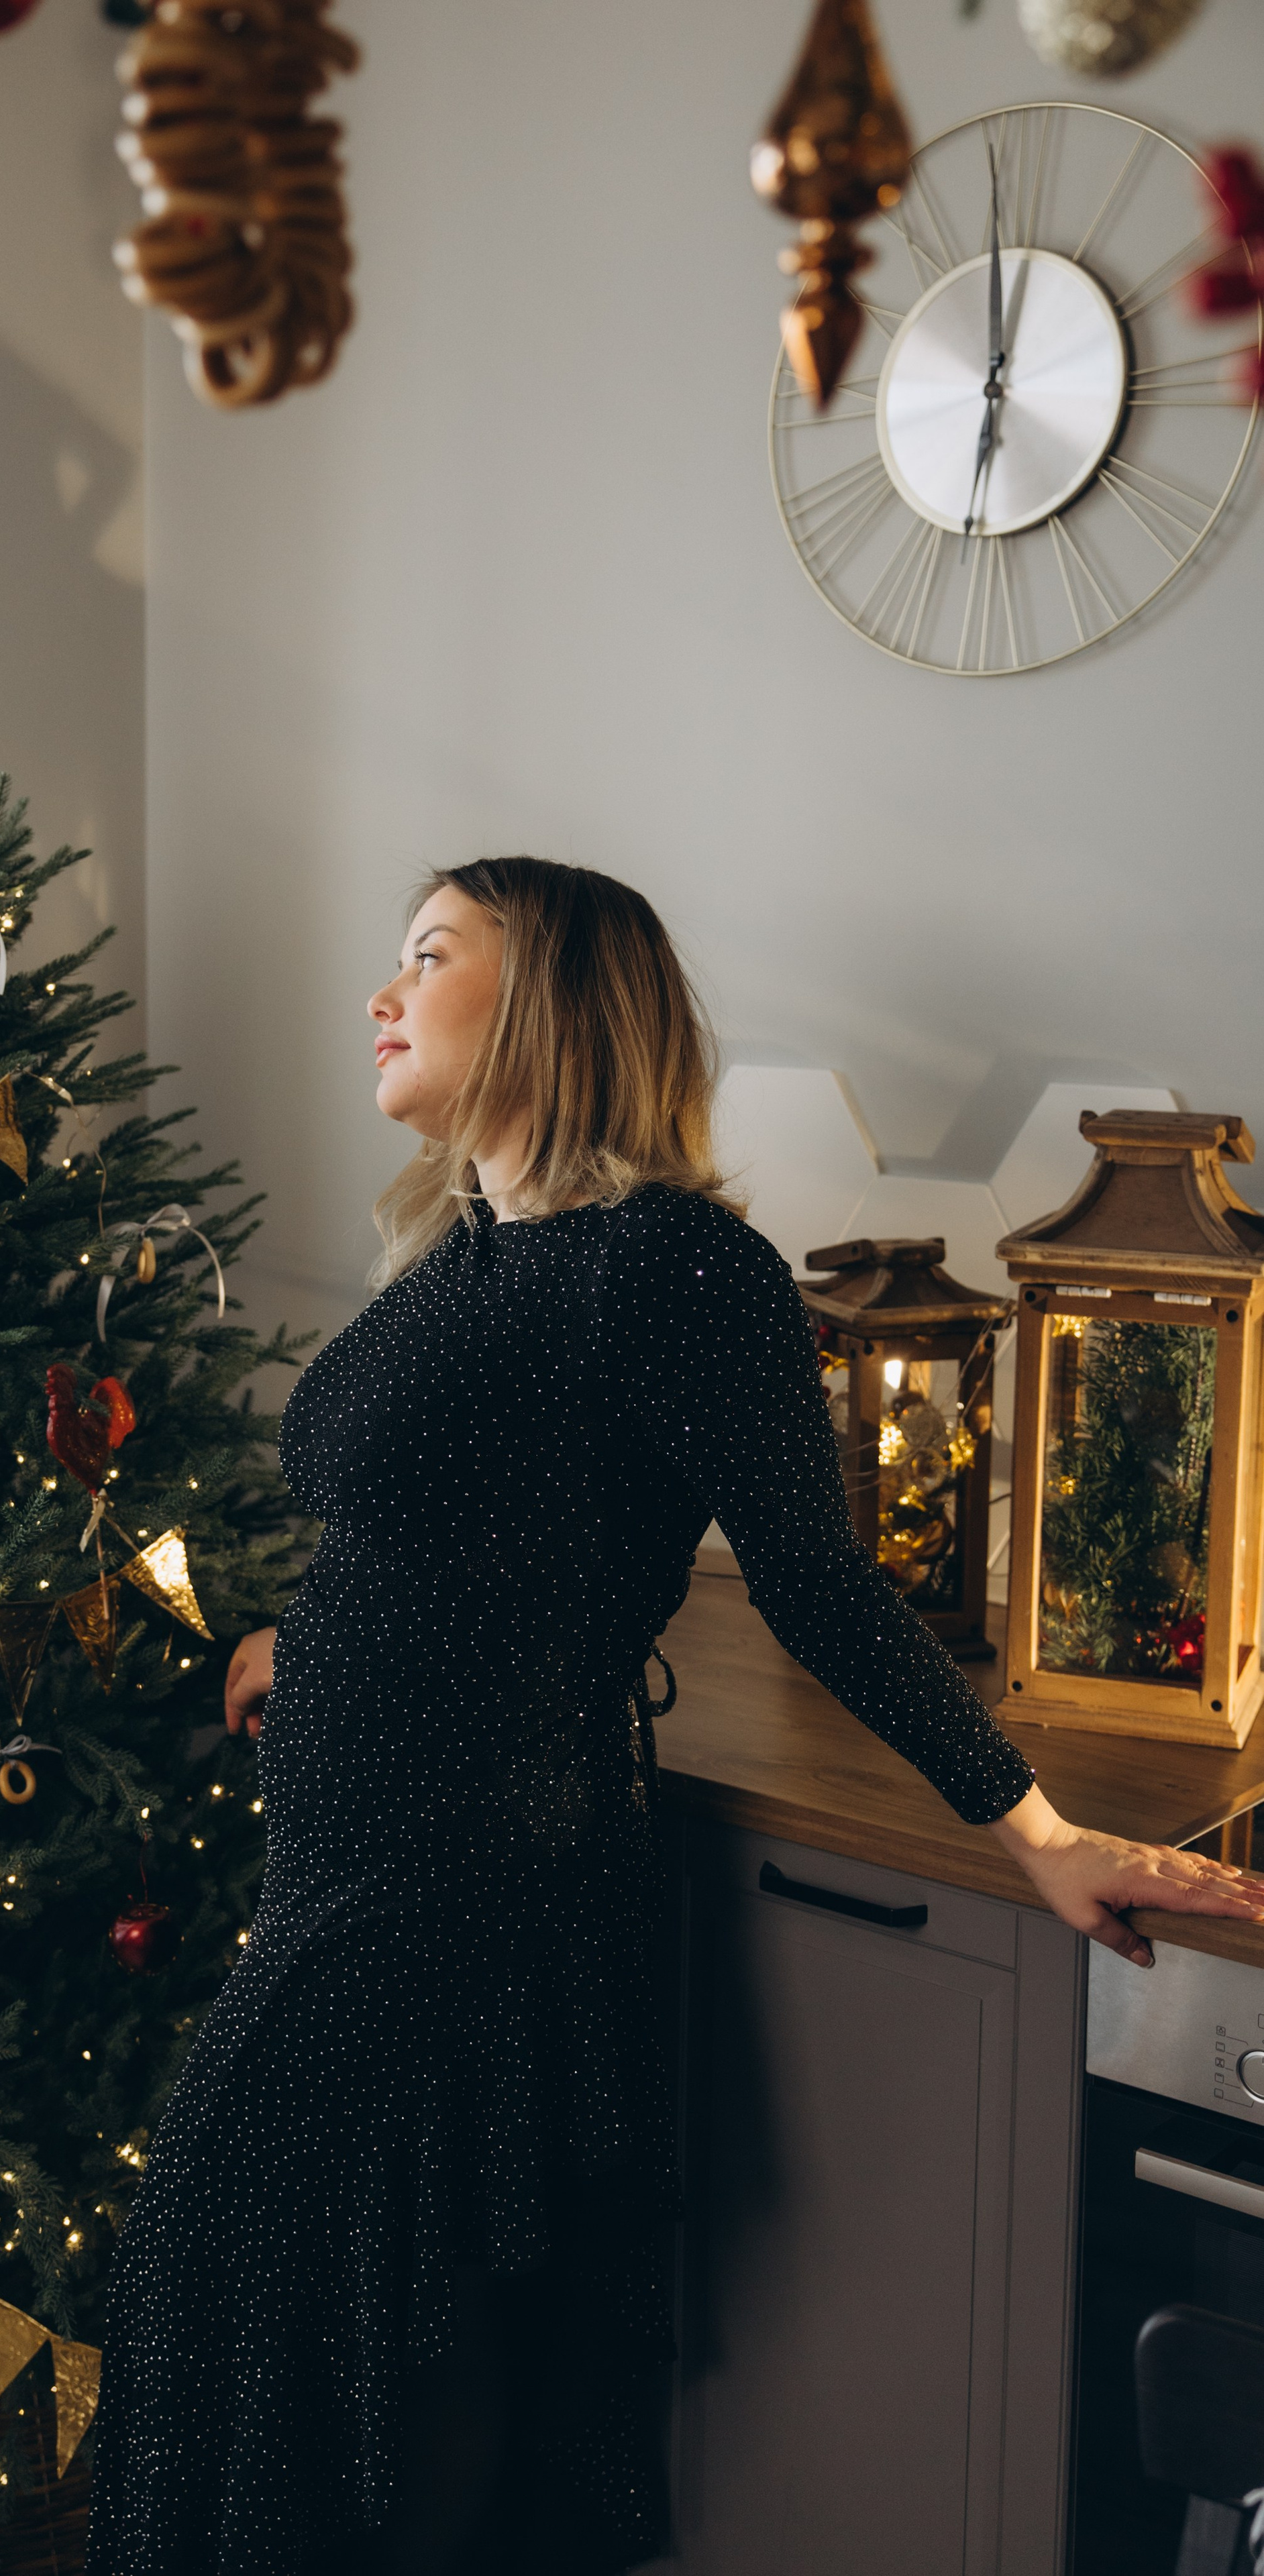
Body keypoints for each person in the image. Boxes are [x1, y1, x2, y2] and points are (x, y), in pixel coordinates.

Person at [84, 857, 1264, 2576]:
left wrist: (1038, 1831)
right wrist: (307, 1636)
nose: (379, 993)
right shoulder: (469, 1255)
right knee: (269, 2314)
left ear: (553, 1001)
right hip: (348, 1880)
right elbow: (449, 1525)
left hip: (464, 1901)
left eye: (428, 955)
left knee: (350, 2344)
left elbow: (816, 1583)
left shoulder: (672, 1268)